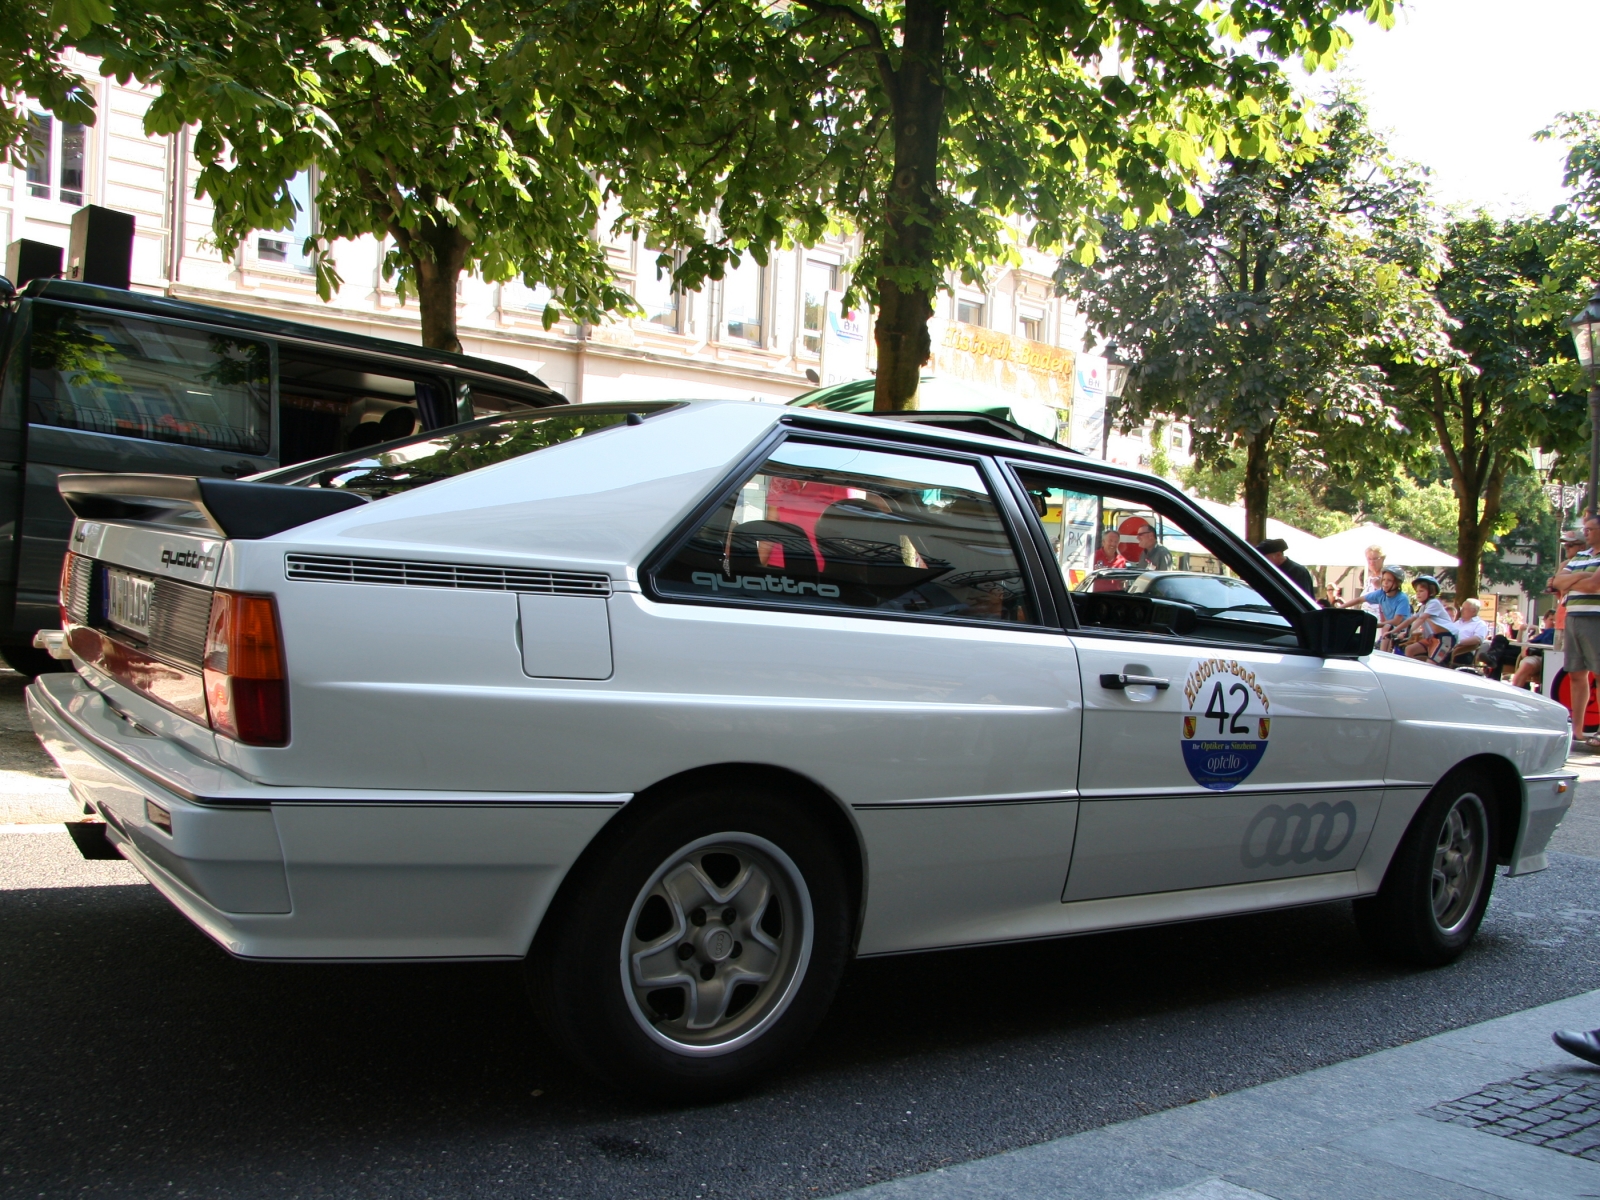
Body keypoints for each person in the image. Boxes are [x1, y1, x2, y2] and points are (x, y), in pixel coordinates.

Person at [1550, 514, 1600, 745]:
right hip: (1573, 617)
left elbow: (1593, 585)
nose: (1585, 532)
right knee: (1576, 674)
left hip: (1596, 618)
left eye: (1589, 529)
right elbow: (1555, 582)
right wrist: (1582, 575)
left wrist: (1572, 579)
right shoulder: (1580, 556)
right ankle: (1578, 731)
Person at [1389, 575, 1458, 665]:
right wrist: (1393, 631)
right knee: (1409, 649)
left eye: (1421, 591)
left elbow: (1421, 618)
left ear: (1432, 592)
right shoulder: (1424, 606)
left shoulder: (1434, 603)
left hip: (1445, 638)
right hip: (1433, 637)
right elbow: (1410, 620)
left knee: (1430, 664)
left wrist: (1407, 633)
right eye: (1417, 591)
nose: (1418, 593)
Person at [1354, 567, 1412, 652]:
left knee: (1387, 626)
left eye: (1389, 580)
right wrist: (1340, 608)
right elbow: (1359, 599)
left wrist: (1375, 625)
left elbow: (1396, 621)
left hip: (1403, 630)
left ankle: (1384, 654)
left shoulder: (1402, 598)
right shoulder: (1381, 593)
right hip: (1389, 629)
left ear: (1398, 583)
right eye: (1383, 579)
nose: (1385, 582)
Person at [1508, 610, 1557, 690]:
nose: (1554, 622)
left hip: (1548, 657)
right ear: (1544, 620)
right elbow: (1527, 645)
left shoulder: (1553, 632)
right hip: (1536, 655)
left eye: (1556, 620)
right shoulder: (1544, 633)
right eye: (1551, 620)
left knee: (1526, 664)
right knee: (1500, 640)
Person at [1451, 598, 1491, 667]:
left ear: (1474, 611)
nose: (1461, 610)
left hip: (1464, 652)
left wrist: (1458, 642)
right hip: (1448, 648)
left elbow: (1478, 639)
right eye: (1461, 608)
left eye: (1464, 608)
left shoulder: (1480, 624)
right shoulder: (1457, 622)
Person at [1091, 527, 1127, 591]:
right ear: (1103, 542)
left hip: (1114, 597)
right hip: (1095, 596)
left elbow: (1123, 582)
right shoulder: (1093, 556)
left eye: (1116, 541)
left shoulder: (1121, 560)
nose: (1113, 544)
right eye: (1110, 541)